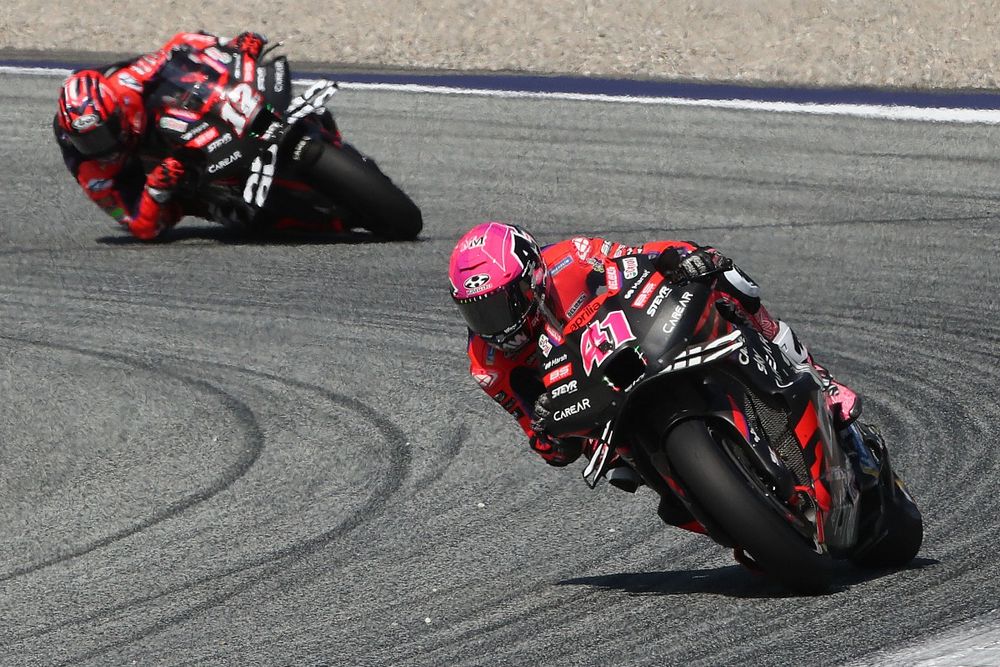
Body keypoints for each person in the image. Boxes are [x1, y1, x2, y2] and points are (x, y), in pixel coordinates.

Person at [448, 221, 861, 532]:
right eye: (478, 312)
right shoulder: (487, 363)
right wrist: (545, 425)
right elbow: (549, 449)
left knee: (729, 282)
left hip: (643, 339)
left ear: (532, 278)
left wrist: (682, 258)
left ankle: (817, 375)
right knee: (614, 468)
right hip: (597, 404)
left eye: (502, 303)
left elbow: (641, 258)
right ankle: (725, 517)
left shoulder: (573, 256)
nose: (496, 324)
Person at [53, 30, 269, 241]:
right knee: (244, 218)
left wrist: (232, 46)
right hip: (148, 178)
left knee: (187, 86)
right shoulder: (90, 171)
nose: (101, 147)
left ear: (117, 113)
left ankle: (249, 120)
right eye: (87, 142)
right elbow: (138, 226)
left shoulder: (126, 82)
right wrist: (156, 189)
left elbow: (180, 45)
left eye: (103, 135)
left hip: (158, 127)